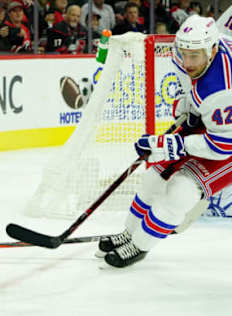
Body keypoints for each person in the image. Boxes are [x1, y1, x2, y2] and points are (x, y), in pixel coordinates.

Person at [97, 15, 232, 268]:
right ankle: (128, 233)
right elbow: (186, 86)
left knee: (180, 191)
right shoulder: (187, 54)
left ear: (213, 50)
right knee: (154, 176)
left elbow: (221, 146)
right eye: (185, 53)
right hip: (214, 121)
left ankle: (139, 245)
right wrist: (185, 108)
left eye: (196, 56)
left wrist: (172, 144)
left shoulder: (222, 89)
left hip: (227, 140)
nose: (188, 62)